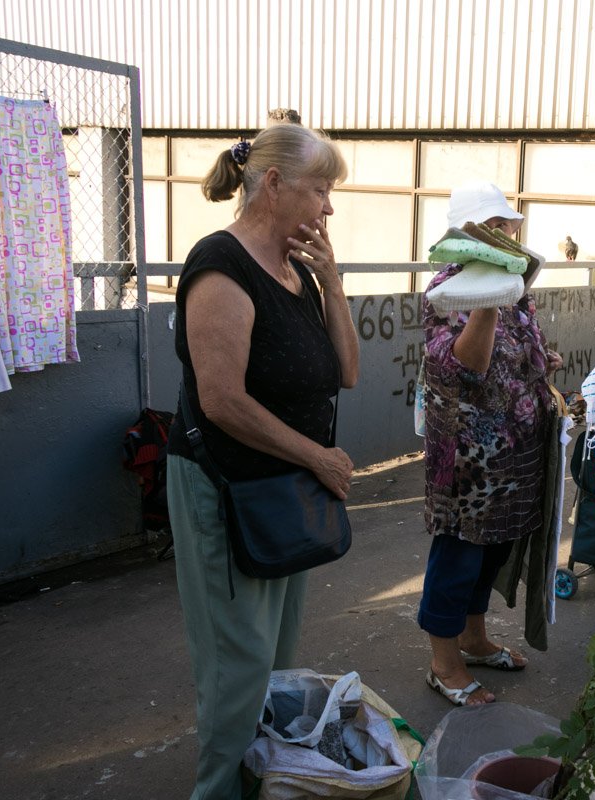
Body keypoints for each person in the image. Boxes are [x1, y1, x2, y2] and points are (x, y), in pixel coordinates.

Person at [165, 124, 359, 799]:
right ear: (273, 185)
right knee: (236, 670)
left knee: (273, 665)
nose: (328, 208)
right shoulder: (221, 265)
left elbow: (349, 372)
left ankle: (258, 784)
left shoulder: (296, 270)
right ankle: (218, 790)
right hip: (226, 488)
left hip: (284, 489)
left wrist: (332, 281)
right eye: (319, 190)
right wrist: (320, 458)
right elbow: (222, 402)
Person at [419, 182, 560, 706]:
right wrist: (488, 303)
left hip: (514, 452)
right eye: (494, 228)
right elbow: (466, 365)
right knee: (458, 554)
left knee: (489, 554)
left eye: (506, 227)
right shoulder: (452, 291)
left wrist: (544, 362)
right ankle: (443, 662)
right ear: (467, 235)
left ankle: (474, 640)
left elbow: (522, 347)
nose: (506, 235)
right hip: (469, 462)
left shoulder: (512, 283)